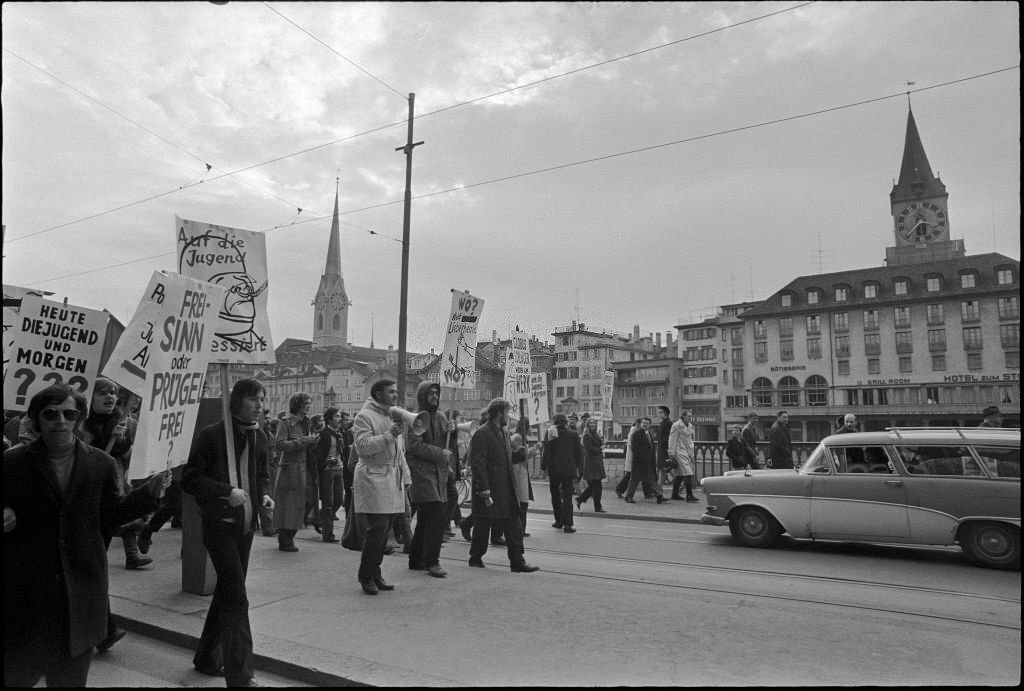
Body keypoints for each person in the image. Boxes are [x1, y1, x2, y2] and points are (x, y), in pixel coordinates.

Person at [4, 384, 165, 687]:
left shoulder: (100, 464)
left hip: (80, 596)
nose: (60, 421)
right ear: (37, 419)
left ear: (79, 419)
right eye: (50, 414)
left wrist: (149, 495)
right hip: (27, 599)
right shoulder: (12, 463)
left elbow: (112, 517)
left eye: (69, 413)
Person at [182, 378, 274, 688]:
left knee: (227, 592)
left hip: (246, 527)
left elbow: (261, 474)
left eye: (262, 399)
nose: (259, 405)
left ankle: (207, 656)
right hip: (219, 526)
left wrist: (263, 494)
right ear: (237, 401)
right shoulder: (213, 435)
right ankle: (240, 675)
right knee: (237, 597)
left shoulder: (261, 437)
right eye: (253, 399)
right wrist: (225, 492)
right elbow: (190, 480)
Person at [352, 379, 411, 595]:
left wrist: (406, 476)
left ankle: (375, 573)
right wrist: (390, 435)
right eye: (391, 392)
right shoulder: (364, 416)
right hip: (374, 478)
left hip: (390, 478)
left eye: (396, 392)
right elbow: (363, 447)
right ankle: (366, 575)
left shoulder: (390, 416)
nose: (395, 395)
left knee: (384, 530)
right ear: (378, 393)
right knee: (377, 530)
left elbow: (399, 452)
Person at [467, 398, 539, 572]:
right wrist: (483, 488)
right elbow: (478, 463)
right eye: (506, 412)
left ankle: (517, 561)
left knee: (514, 525)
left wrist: (523, 455)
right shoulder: (483, 433)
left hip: (506, 488)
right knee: (483, 525)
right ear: (499, 413)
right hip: (490, 488)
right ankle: (475, 557)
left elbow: (506, 459)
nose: (508, 416)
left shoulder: (503, 432)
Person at [406, 382, 454, 578]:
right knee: (435, 519)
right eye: (431, 393)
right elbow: (415, 446)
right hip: (423, 474)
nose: (434, 396)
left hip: (437, 474)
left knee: (426, 520)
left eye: (437, 393)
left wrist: (452, 430)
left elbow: (444, 443)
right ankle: (432, 561)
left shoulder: (441, 416)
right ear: (422, 395)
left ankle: (416, 559)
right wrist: (439, 453)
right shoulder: (417, 418)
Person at [272, 393, 318, 552]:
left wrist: (313, 442)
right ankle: (286, 538)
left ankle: (289, 533)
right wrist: (303, 442)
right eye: (306, 403)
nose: (308, 406)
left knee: (307, 500)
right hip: (291, 469)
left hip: (305, 468)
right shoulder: (285, 423)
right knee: (290, 505)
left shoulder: (307, 423)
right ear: (297, 405)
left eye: (309, 403)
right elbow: (279, 444)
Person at [541, 413, 582, 533]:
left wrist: (543, 466)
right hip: (568, 469)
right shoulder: (573, 434)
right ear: (565, 422)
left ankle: (558, 520)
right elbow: (578, 453)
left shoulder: (550, 433)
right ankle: (568, 524)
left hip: (554, 469)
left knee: (555, 495)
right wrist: (577, 467)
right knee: (568, 496)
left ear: (555, 422)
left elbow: (546, 451)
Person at [313, 407, 346, 543]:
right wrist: (325, 461)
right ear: (329, 419)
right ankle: (328, 534)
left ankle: (319, 519)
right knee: (328, 502)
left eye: (339, 417)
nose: (339, 419)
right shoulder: (324, 434)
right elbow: (317, 453)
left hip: (339, 469)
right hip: (327, 470)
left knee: (338, 500)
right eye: (337, 417)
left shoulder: (338, 433)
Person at [624, 417, 668, 503]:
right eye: (643, 423)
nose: (645, 425)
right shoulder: (636, 434)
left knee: (651, 480)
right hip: (639, 462)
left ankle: (659, 496)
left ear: (650, 425)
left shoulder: (648, 434)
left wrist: (651, 460)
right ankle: (629, 497)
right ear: (641, 424)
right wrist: (642, 458)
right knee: (635, 480)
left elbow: (651, 447)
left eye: (647, 423)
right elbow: (634, 448)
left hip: (647, 462)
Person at [576, 417, 607, 512]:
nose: (592, 425)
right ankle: (597, 507)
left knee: (594, 486)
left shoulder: (596, 434)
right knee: (596, 486)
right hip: (591, 462)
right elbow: (589, 449)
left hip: (597, 461)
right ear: (588, 425)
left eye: (594, 423)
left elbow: (598, 443)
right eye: (591, 424)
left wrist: (602, 441)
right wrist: (601, 448)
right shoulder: (586, 435)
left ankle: (581, 499)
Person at [667, 410, 698, 502]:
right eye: (688, 416)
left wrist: (691, 452)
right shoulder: (676, 425)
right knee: (688, 473)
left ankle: (675, 494)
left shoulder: (690, 425)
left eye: (691, 416)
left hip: (687, 451)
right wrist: (671, 453)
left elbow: (689, 440)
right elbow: (672, 439)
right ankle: (689, 495)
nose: (690, 418)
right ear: (683, 416)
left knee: (680, 474)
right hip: (679, 451)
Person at [510, 433, 533, 532]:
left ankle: (520, 529)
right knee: (522, 506)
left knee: (520, 506)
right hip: (520, 483)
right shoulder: (520, 451)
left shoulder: (511, 452)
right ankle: (521, 529)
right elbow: (523, 456)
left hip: (518, 483)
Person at [615, 419, 641, 498]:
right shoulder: (634, 431)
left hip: (634, 455)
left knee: (631, 474)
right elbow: (630, 444)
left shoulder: (635, 430)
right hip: (633, 455)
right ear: (637, 424)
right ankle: (619, 489)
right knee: (630, 474)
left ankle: (620, 489)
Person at [656, 406, 673, 486]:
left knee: (666, 469)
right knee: (663, 471)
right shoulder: (663, 423)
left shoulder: (669, 423)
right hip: (661, 450)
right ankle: (658, 491)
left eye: (660, 412)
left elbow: (667, 438)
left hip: (665, 451)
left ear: (665, 413)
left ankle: (681, 483)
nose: (659, 414)